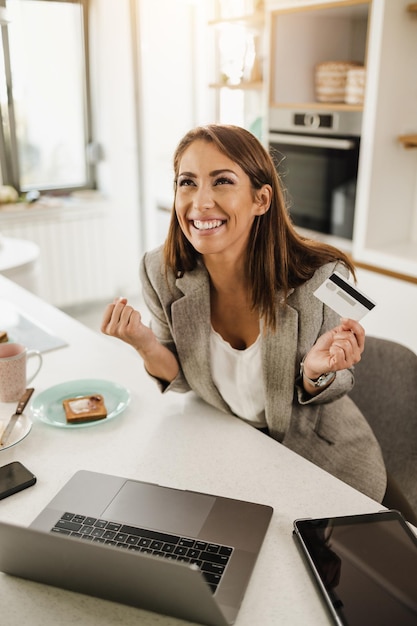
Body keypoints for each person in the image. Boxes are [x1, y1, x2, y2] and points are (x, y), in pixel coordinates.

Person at [101, 123, 387, 504]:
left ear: (261, 199)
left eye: (221, 182)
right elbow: (187, 380)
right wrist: (145, 344)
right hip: (228, 448)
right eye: (187, 182)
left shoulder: (322, 278)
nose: (200, 202)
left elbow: (335, 385)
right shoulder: (161, 272)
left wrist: (316, 373)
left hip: (319, 460)